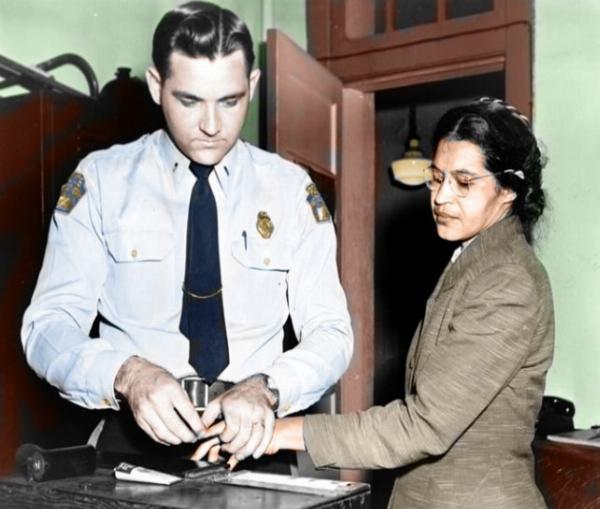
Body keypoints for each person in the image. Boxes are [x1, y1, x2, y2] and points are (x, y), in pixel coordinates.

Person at [21, 1, 352, 462]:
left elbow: (331, 332)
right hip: (130, 449)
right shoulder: (100, 181)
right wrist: (127, 374)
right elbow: (46, 327)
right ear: (157, 85)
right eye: (189, 101)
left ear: (253, 85)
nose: (212, 126)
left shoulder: (291, 191)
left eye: (230, 101)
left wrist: (270, 387)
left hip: (252, 445)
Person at [197, 97, 554, 508]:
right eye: (437, 178)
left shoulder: (507, 281)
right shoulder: (476, 261)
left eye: (463, 182)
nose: (441, 197)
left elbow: (423, 425)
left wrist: (277, 432)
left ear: (508, 189)